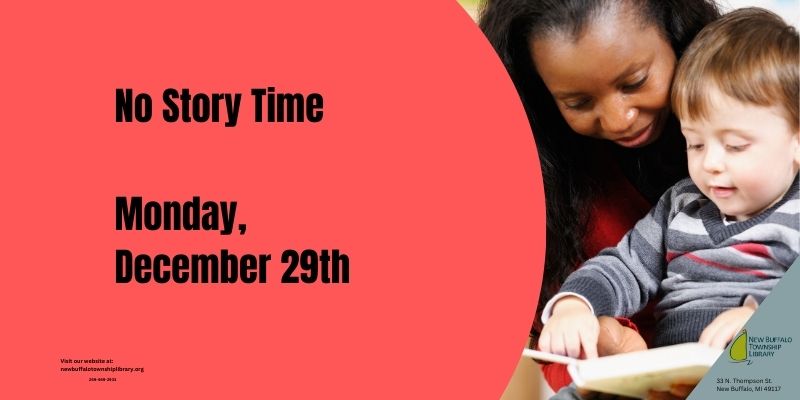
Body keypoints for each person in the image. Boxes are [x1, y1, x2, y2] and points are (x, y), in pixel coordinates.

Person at [540, 4, 799, 371]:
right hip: (669, 373)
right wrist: (575, 304)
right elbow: (623, 267)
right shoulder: (680, 203)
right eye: (695, 143)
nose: (710, 163)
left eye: (736, 146)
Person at [479, 0, 720, 392]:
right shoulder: (545, 181)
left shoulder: (770, 134)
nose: (616, 119)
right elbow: (560, 336)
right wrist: (596, 337)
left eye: (635, 82)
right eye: (578, 103)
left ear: (678, 36)